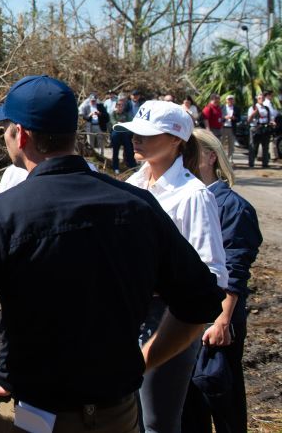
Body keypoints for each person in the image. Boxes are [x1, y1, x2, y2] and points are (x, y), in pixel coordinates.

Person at [0, 75, 224, 433]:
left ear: (22, 134)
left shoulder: (0, 217)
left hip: (31, 415)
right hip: (117, 414)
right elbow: (199, 303)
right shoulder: (138, 205)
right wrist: (140, 362)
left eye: (4, 127)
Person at [113, 100, 228, 433]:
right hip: (130, 313)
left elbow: (212, 273)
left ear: (177, 139)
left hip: (169, 317)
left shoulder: (192, 195)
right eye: (135, 133)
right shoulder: (131, 185)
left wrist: (154, 281)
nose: (137, 139)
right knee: (125, 414)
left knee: (157, 421)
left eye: (148, 135)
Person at [182, 130, 262, 433]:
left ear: (211, 156)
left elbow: (235, 270)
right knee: (191, 400)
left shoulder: (232, 206)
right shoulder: (188, 197)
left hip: (220, 317)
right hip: (192, 315)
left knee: (221, 395)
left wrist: (222, 319)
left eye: (191, 152)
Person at [246, 92, 274, 168]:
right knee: (253, 147)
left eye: (262, 98)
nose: (261, 99)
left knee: (265, 147)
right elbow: (248, 120)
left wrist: (272, 122)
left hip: (265, 129)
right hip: (255, 128)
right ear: (257, 99)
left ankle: (265, 163)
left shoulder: (266, 108)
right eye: (259, 98)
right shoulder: (252, 108)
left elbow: (270, 118)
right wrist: (253, 113)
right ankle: (251, 163)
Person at [110, 95, 136, 174]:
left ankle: (132, 166)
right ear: (116, 106)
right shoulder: (113, 114)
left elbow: (130, 123)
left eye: (122, 105)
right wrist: (122, 124)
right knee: (115, 152)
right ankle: (115, 167)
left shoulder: (126, 114)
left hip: (125, 136)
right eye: (119, 105)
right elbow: (113, 123)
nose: (120, 107)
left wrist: (122, 124)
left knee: (129, 151)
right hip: (116, 136)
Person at [220, 95, 240, 162]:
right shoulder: (222, 107)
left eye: (231, 99)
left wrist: (234, 118)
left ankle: (230, 158)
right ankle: (221, 158)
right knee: (221, 143)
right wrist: (224, 118)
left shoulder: (236, 108)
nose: (230, 101)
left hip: (232, 127)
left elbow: (239, 119)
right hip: (223, 127)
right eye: (229, 99)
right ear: (226, 100)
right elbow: (219, 117)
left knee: (231, 144)